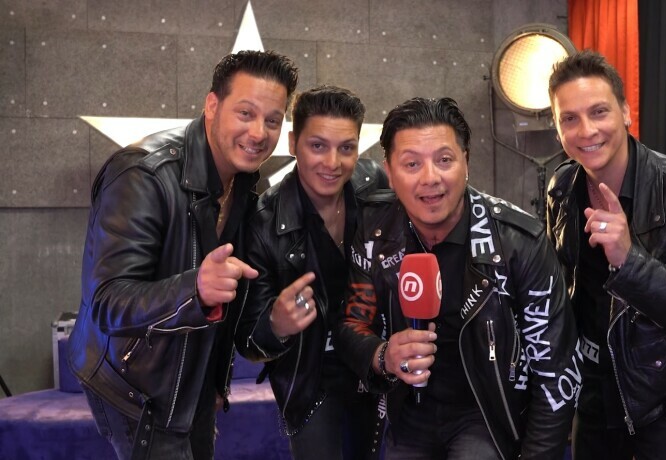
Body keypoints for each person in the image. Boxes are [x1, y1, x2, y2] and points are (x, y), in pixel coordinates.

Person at [67, 50, 299, 459]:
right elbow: (106, 302)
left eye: (273, 120)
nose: (259, 132)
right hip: (134, 389)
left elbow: (232, 314)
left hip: (192, 385)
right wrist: (195, 289)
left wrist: (271, 328)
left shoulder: (245, 185)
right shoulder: (143, 173)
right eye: (245, 113)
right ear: (212, 105)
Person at [335, 97, 581, 460]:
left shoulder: (519, 242)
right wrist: (383, 355)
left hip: (488, 416)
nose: (430, 178)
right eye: (412, 163)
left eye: (444, 160)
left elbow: (556, 373)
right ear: (390, 170)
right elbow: (350, 324)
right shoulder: (375, 231)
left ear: (466, 161)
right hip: (407, 413)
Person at [545, 49, 666, 460]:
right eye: (569, 119)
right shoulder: (561, 187)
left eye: (599, 112)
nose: (586, 130)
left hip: (663, 402)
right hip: (591, 392)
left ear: (626, 112)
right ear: (558, 130)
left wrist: (630, 261)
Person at [235, 85, 389, 459]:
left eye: (346, 148)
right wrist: (277, 324)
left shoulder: (374, 185)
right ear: (293, 143)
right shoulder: (263, 222)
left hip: (375, 364)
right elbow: (248, 340)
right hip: (311, 382)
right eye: (318, 146)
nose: (332, 162)